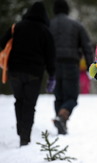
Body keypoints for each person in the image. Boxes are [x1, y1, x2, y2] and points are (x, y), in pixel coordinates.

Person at [0, 2, 55, 146]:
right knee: (30, 105)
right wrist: (52, 75)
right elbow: (50, 56)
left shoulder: (17, 27)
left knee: (19, 101)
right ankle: (25, 137)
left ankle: (20, 130)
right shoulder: (45, 31)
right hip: (34, 74)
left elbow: (2, 43)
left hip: (15, 71)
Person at [49, 0, 93, 135]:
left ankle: (61, 120)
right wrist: (90, 67)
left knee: (59, 96)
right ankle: (62, 117)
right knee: (71, 97)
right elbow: (87, 46)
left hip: (54, 65)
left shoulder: (48, 25)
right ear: (67, 10)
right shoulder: (76, 25)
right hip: (71, 64)